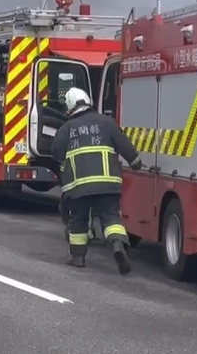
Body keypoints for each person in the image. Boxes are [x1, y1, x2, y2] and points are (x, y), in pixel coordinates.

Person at [51, 87, 144, 274]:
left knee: (79, 219)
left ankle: (78, 257)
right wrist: (136, 163)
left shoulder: (66, 128)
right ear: (87, 101)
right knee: (111, 217)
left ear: (69, 108)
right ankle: (117, 244)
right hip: (107, 183)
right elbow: (124, 145)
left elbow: (56, 153)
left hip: (79, 187)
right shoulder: (106, 122)